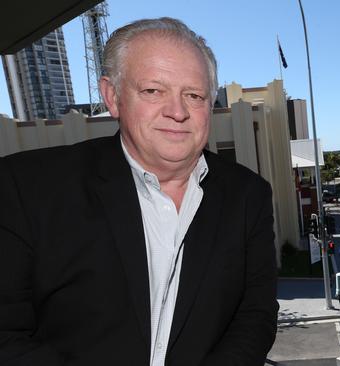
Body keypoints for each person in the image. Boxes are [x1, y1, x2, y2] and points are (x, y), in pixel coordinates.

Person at [0, 18, 278, 366]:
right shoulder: (25, 188)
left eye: (193, 95)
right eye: (153, 91)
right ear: (112, 97)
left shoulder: (248, 195)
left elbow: (256, 316)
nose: (177, 112)